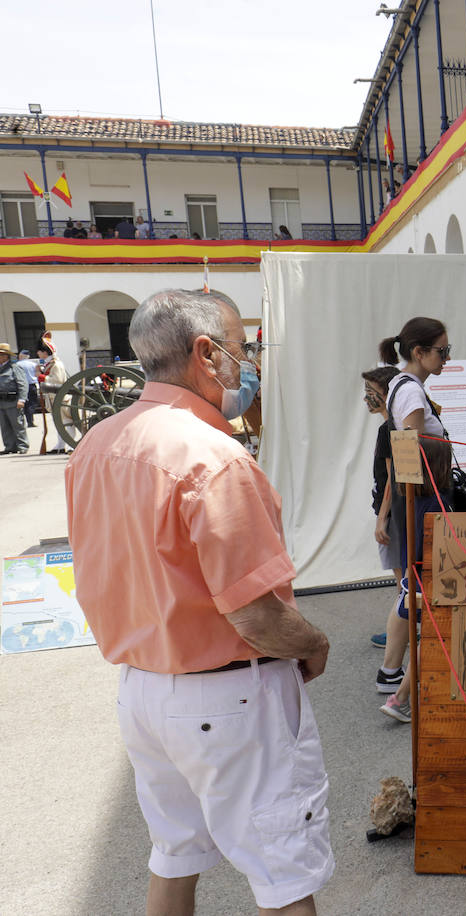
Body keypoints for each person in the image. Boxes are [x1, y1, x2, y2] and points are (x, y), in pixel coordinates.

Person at [65, 288, 333, 915]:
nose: (250, 363)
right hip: (229, 694)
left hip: (144, 692)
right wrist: (314, 643)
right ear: (206, 354)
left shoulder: (95, 446)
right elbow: (256, 615)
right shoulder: (212, 457)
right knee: (283, 872)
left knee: (175, 856)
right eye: (245, 349)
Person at [377, 316, 454, 723]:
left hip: (418, 502)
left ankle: (392, 675)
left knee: (411, 588)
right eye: (441, 351)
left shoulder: (402, 387)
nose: (446, 357)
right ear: (420, 352)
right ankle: (399, 690)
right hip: (426, 501)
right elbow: (411, 456)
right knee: (424, 589)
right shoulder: (412, 394)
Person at [362, 365, 405, 658]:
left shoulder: (389, 429)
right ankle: (403, 624)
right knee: (403, 579)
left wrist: (382, 518)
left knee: (403, 581)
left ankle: (400, 629)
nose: (366, 399)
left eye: (370, 393)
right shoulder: (396, 425)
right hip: (399, 513)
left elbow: (394, 476)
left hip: (394, 515)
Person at [36, 342, 69, 454]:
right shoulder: (49, 363)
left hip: (59, 397)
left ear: (45, 352)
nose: (38, 353)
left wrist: (41, 377)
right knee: (58, 422)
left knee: (65, 422)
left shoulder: (56, 364)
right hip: (53, 397)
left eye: (39, 351)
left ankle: (70, 446)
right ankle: (60, 445)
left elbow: (57, 381)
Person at [0, 343, 29, 454]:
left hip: (13, 401)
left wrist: (22, 399)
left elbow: (22, 384)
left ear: (6, 356)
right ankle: (10, 447)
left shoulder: (15, 367)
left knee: (17, 424)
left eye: (1, 354)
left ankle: (22, 446)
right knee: (4, 426)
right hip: (1, 402)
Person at [15, 349, 40, 427]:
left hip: (21, 386)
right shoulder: (33, 364)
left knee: (23, 404)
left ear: (21, 356)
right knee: (32, 403)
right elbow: (37, 375)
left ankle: (24, 421)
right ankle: (30, 421)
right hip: (31, 385)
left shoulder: (17, 365)